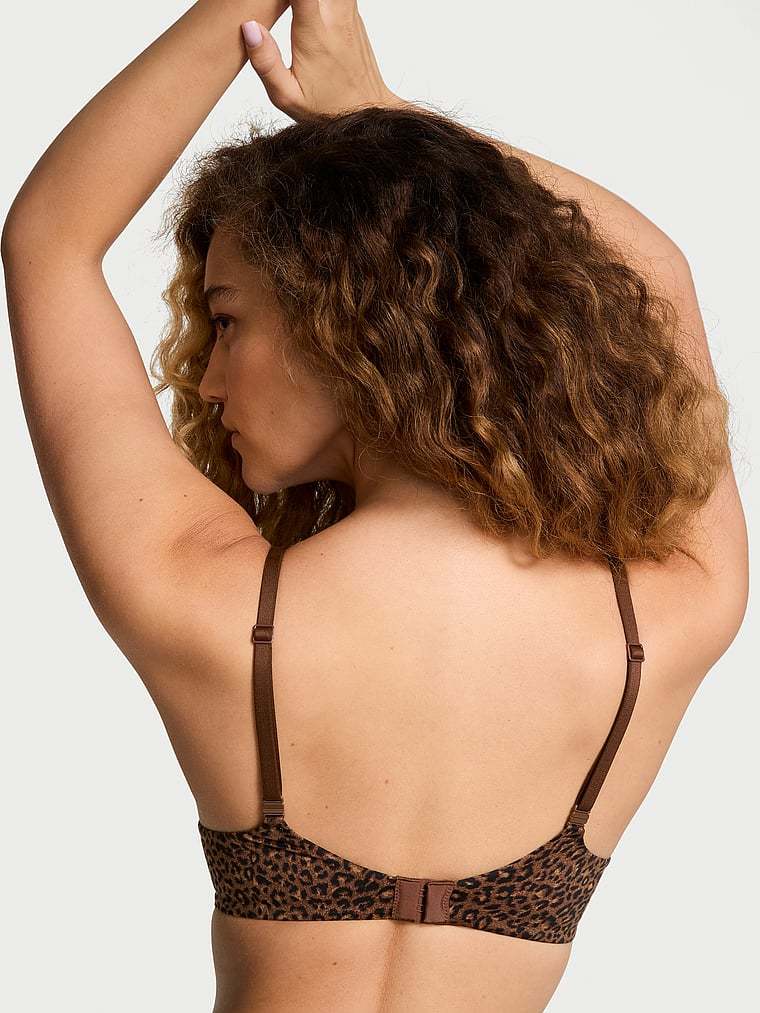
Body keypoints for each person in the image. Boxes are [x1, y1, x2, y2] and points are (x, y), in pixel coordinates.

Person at [2, 2, 748, 1011]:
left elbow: (49, 239)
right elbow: (655, 274)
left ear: (344, 319)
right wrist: (382, 115)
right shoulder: (660, 619)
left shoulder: (212, 602)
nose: (208, 380)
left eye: (226, 321)